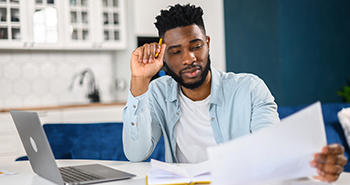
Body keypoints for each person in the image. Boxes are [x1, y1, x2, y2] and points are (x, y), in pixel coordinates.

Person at [122, 4, 347, 182]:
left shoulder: (249, 89)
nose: (188, 58)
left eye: (196, 46)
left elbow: (272, 148)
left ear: (207, 43)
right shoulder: (159, 93)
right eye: (175, 51)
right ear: (164, 57)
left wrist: (314, 161)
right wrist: (140, 80)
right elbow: (135, 154)